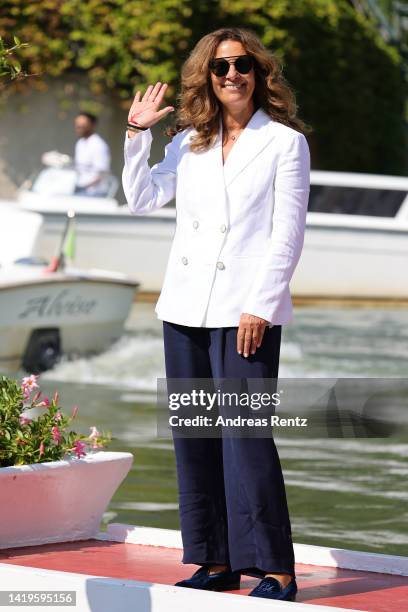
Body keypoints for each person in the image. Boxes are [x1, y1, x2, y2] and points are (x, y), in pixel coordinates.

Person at [122, 27, 310, 602]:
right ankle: (215, 558)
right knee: (195, 436)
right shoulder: (189, 142)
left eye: (243, 65)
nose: (233, 75)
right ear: (206, 75)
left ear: (260, 73)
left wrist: (262, 302)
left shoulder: (284, 143)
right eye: (221, 67)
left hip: (246, 309)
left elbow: (288, 234)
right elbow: (142, 198)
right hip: (184, 305)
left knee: (247, 437)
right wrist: (136, 135)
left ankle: (275, 567)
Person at [74, 112, 111, 196]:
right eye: (77, 125)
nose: (78, 127)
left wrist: (83, 187)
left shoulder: (98, 145)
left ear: (92, 125)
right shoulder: (80, 143)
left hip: (94, 193)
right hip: (79, 189)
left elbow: (102, 173)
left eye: (83, 125)